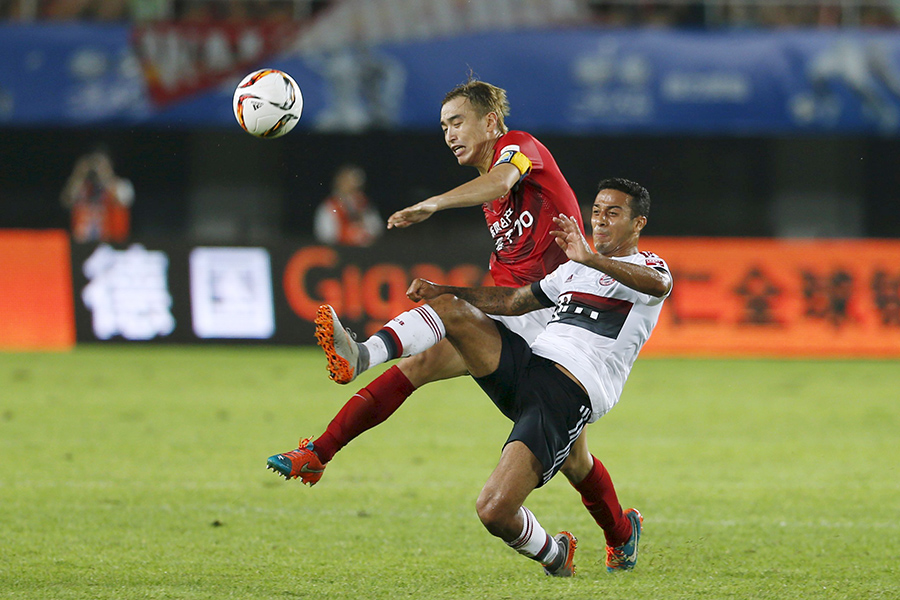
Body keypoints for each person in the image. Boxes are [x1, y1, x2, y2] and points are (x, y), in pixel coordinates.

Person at [271, 179, 672, 575]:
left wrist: (589, 258)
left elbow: (659, 285)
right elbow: (514, 300)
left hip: (567, 394)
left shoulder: (648, 267)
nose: (600, 220)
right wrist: (442, 289)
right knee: (450, 309)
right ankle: (362, 358)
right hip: (530, 365)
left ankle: (559, 552)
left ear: (638, 223)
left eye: (613, 213)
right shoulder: (572, 271)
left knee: (496, 509)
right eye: (597, 211)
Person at [60, 147, 134, 243]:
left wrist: (105, 176)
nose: (96, 168)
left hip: (110, 242)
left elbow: (123, 202)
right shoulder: (81, 186)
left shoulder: (121, 184)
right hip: (81, 242)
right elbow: (66, 202)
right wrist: (79, 174)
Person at [313, 164, 384, 247]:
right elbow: (324, 235)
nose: (354, 187)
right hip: (340, 249)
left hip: (365, 250)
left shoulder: (363, 204)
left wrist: (362, 229)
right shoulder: (330, 206)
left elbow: (377, 228)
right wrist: (348, 234)